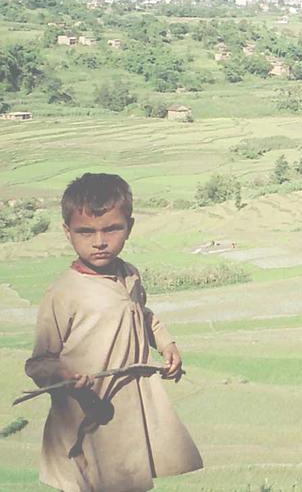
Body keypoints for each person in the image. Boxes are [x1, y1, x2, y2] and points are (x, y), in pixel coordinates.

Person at [24, 173, 203, 492]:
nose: (99, 241)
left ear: (129, 228)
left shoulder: (129, 274)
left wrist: (166, 343)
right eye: (86, 231)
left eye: (111, 228)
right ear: (68, 232)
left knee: (130, 479)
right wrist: (63, 374)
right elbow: (38, 362)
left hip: (130, 409)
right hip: (87, 414)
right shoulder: (63, 293)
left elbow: (142, 315)